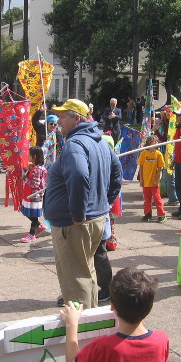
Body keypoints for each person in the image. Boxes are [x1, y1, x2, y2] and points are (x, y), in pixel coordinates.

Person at [43, 99, 122, 309]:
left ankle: (82, 332)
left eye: (62, 116)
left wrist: (78, 214)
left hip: (75, 223)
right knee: (86, 272)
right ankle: (90, 323)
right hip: (94, 218)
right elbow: (117, 173)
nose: (58, 121)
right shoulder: (101, 141)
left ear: (76, 118)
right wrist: (104, 204)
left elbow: (78, 176)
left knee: (76, 278)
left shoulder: (75, 144)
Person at [60, 267, 169, 362]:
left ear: (112, 306)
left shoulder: (103, 346)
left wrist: (72, 324)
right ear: (149, 307)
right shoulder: (161, 341)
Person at [20, 146, 47, 243]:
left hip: (34, 195)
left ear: (34, 156)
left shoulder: (38, 169)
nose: (28, 156)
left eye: (29, 155)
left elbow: (35, 184)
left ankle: (32, 234)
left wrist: (25, 178)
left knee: (33, 215)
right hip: (30, 194)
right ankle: (39, 226)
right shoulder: (34, 167)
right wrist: (26, 170)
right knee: (27, 212)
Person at [138, 135, 167, 223]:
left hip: (154, 181)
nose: (155, 143)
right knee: (147, 199)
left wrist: (156, 180)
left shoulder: (158, 154)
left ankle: (161, 214)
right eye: (153, 142)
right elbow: (141, 167)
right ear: (149, 143)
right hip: (145, 181)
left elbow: (160, 168)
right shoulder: (144, 153)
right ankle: (147, 214)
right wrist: (141, 179)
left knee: (157, 198)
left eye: (156, 142)